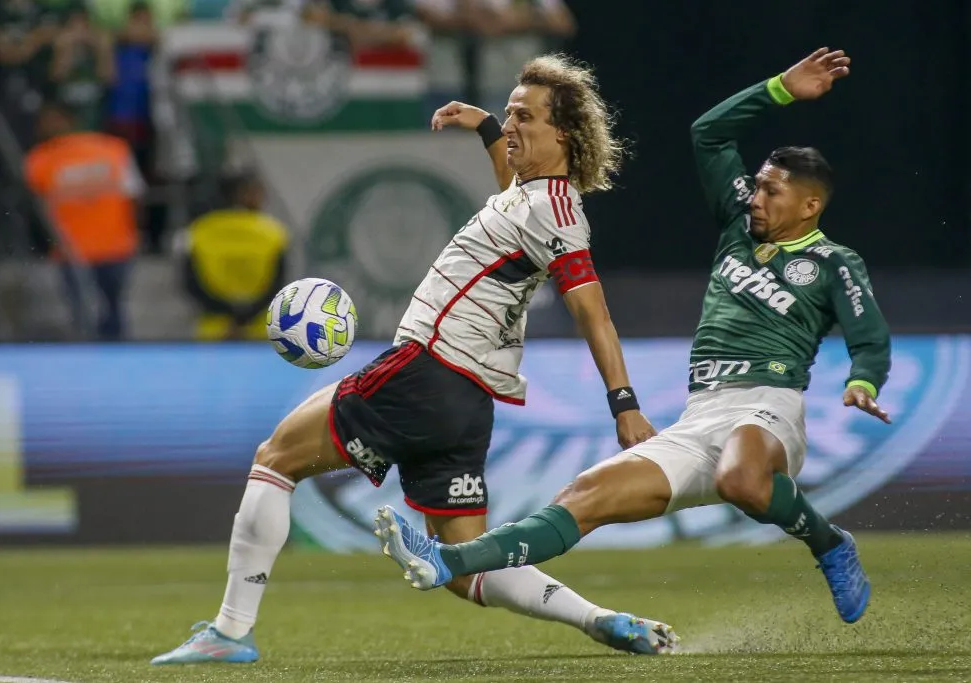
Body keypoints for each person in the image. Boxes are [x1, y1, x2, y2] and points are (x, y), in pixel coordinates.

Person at [152, 53, 680, 666]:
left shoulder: (554, 213)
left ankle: (230, 631)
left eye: (524, 118)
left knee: (275, 460)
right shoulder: (529, 197)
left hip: (427, 371)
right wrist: (486, 123)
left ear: (563, 133)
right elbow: (510, 194)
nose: (512, 127)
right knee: (463, 564)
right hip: (464, 402)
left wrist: (624, 404)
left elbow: (595, 314)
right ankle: (602, 620)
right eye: (510, 114)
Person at [375, 47, 891, 628]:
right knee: (583, 497)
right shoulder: (738, 226)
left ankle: (830, 545)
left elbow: (868, 336)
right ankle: (449, 560)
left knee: (742, 478)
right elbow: (709, 133)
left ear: (810, 204)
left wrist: (862, 379)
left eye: (773, 191)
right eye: (758, 186)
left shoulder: (833, 261)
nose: (756, 197)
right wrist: (779, 88)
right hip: (701, 416)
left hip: (767, 405)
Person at [25, 100, 143, 341]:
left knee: (111, 310)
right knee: (89, 316)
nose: (45, 126)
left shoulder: (113, 149)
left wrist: (137, 232)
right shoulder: (39, 159)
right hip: (75, 250)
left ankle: (112, 359)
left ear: (69, 120)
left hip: (113, 246)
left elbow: (135, 196)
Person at [177, 171, 290, 341]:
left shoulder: (198, 231)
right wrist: (247, 314)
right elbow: (278, 284)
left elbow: (191, 283)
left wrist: (226, 312)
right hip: (259, 327)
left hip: (214, 327)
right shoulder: (274, 231)